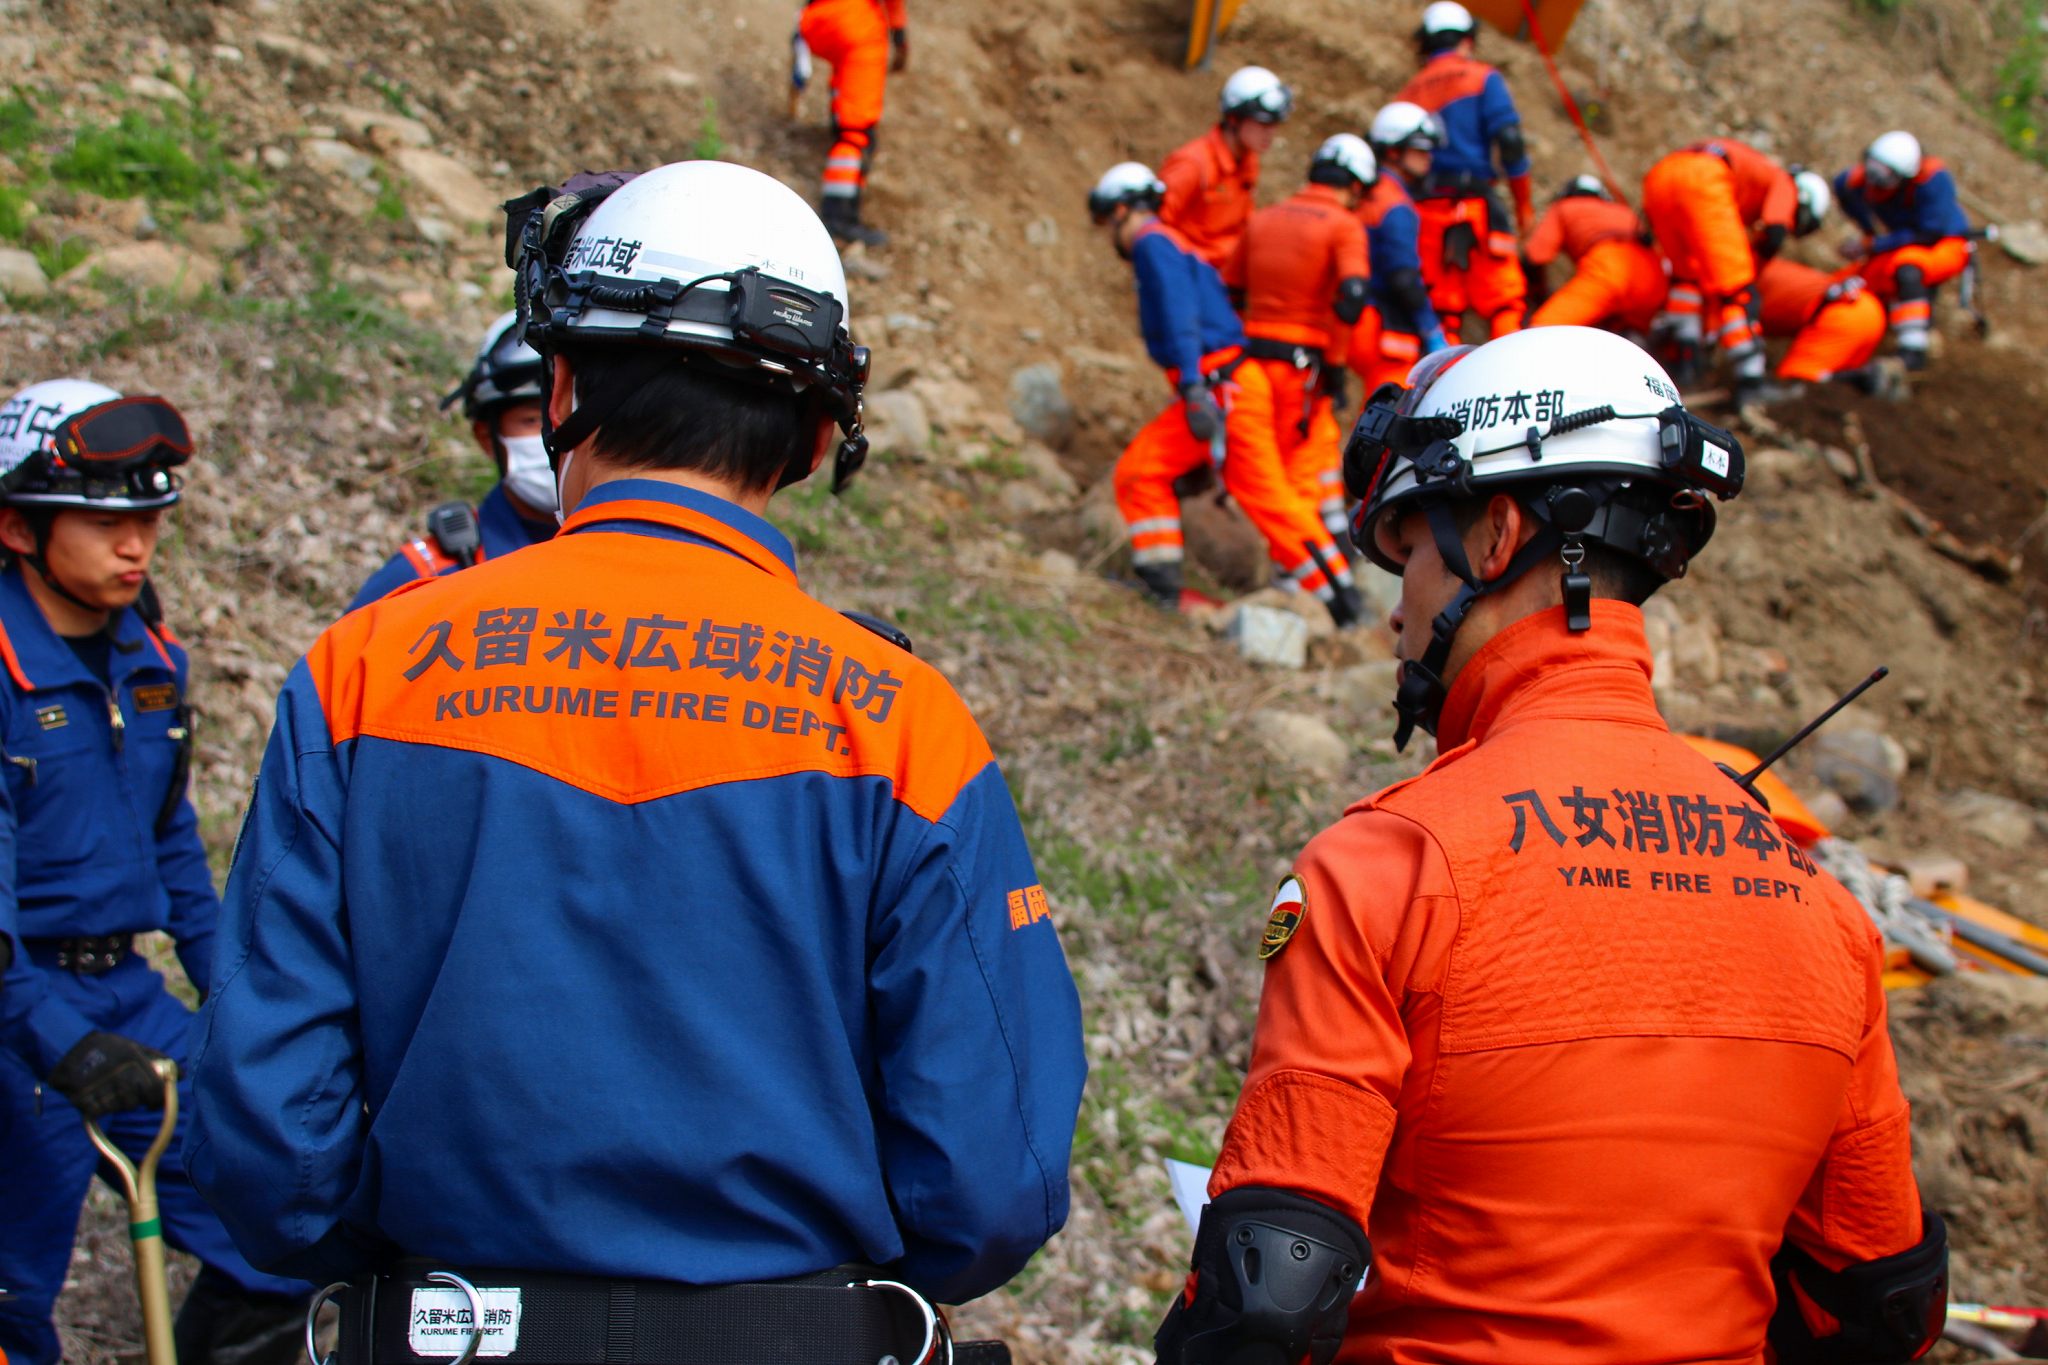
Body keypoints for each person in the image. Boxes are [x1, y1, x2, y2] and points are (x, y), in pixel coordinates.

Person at [186, 162, 1086, 1362]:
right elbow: (992, 1179)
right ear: (818, 435)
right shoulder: (899, 722)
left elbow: (263, 1134)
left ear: (560, 385)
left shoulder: (365, 671)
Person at [1152, 326, 1944, 1365]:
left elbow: (1265, 1300)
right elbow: (1881, 1297)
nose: (1398, 612)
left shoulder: (1384, 869)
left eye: (1410, 553)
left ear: (1492, 537)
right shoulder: (1823, 912)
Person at [0, 380, 307, 1365]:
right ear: (17, 526)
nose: (135, 544)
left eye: (148, 518)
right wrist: (58, 1044)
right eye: (103, 523)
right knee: (15, 1291)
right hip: (18, 1008)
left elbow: (173, 843)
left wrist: (243, 992)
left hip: (124, 993)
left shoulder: (146, 655)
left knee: (270, 1226)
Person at [1089, 161, 1362, 625]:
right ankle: (1164, 588)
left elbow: (1180, 318)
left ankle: (1341, 601)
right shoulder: (1173, 243)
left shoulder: (1153, 244)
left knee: (1268, 499)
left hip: (1222, 389)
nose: (1106, 238)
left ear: (1119, 211)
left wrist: (1194, 388)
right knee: (1143, 471)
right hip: (1224, 385)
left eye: (1103, 225)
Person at [349, 310, 556, 610]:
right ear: (486, 438)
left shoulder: (641, 565)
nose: (553, 437)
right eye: (532, 419)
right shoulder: (422, 579)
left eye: (569, 418)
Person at [1226, 134, 1374, 551]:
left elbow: (1232, 291)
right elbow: (1353, 297)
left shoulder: (1263, 218)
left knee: (1300, 451)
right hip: (1303, 366)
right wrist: (1337, 363)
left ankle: (1335, 539)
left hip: (1252, 362)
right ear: (1357, 185)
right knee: (1298, 471)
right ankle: (1301, 571)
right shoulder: (1344, 226)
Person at [1641, 138, 1831, 395]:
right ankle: (1751, 380)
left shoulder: (1754, 177)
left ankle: (1684, 356)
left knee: (1686, 279)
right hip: (1705, 181)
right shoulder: (1785, 183)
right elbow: (1774, 232)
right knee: (1740, 294)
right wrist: (1747, 275)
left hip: (1662, 176)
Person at [1394, 1, 1530, 340]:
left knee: (1444, 314)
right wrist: (1523, 205)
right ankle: (1517, 379)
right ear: (1467, 40)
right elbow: (1510, 142)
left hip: (1428, 213)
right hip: (1477, 208)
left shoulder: (1408, 96)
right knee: (1504, 305)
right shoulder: (1482, 77)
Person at [1832, 130, 1973, 371]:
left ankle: (1913, 350)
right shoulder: (1856, 182)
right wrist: (1869, 233)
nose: (1875, 182)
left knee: (1908, 268)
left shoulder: (1933, 181)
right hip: (1901, 242)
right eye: (1871, 170)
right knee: (1848, 283)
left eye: (1884, 177)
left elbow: (1929, 233)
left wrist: (1874, 245)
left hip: (1945, 244)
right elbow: (1844, 191)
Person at [1350, 103, 1450, 397]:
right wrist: (1430, 329)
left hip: (1355, 317)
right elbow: (1403, 277)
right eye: (1420, 150)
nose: (1428, 159)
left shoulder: (1365, 192)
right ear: (1393, 152)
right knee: (1392, 412)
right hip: (1382, 326)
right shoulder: (1396, 204)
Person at [793, 0, 906, 247]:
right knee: (855, 130)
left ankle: (840, 112)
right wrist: (899, 31)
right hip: (855, 23)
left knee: (847, 104)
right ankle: (839, 216)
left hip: (816, 18)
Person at [1159, 65, 1294, 271]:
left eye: (1275, 124)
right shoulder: (1193, 164)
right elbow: (1155, 231)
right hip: (1190, 276)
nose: (1271, 133)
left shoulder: (1247, 161)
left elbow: (1242, 225)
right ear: (1234, 119)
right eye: (1263, 123)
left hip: (1223, 279)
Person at [1524, 174, 1668, 334]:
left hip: (1608, 272)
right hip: (1653, 279)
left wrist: (1538, 293)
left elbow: (1535, 256)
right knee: (1631, 341)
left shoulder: (1564, 207)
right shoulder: (1623, 211)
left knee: (1539, 332)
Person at [1755, 256, 1899, 399]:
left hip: (1840, 312)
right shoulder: (1768, 266)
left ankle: (1864, 378)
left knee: (1792, 384)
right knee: (1833, 389)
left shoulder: (1746, 273)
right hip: (1869, 311)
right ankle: (1861, 378)